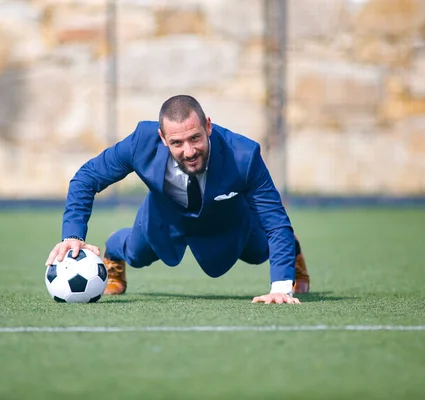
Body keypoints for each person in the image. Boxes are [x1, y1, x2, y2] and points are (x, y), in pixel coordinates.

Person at [45, 95, 310, 304]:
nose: (189, 151)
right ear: (162, 138)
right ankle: (115, 253)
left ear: (208, 126)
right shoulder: (141, 142)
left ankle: (293, 251)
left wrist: (281, 288)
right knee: (135, 254)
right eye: (177, 143)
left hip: (227, 222)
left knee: (259, 252)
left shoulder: (244, 155)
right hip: (163, 217)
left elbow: (275, 221)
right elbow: (87, 178)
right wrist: (73, 236)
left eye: (195, 138)